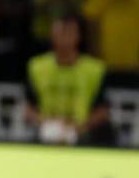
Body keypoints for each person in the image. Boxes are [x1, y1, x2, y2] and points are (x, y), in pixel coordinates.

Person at [25, 16, 111, 146]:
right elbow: (29, 109)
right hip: (46, 131)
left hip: (82, 134)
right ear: (52, 35)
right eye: (60, 33)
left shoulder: (94, 70)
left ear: (78, 36)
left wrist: (77, 128)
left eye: (69, 33)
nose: (64, 39)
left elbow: (103, 111)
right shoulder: (37, 67)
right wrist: (48, 125)